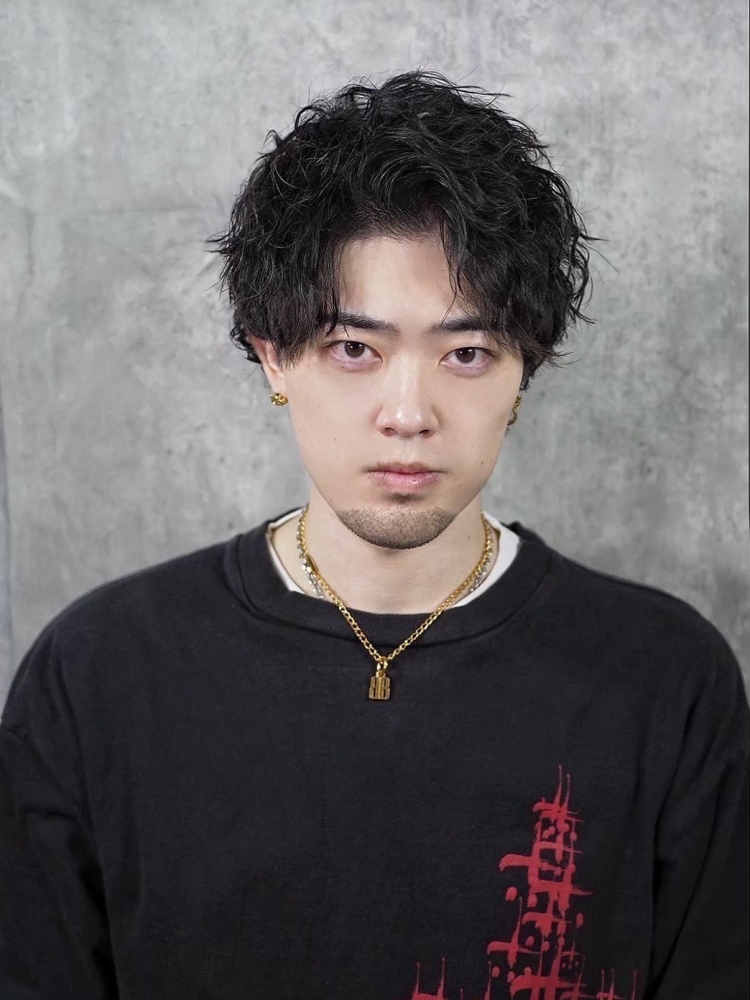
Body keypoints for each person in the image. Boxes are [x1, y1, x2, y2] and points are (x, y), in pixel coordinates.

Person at [1, 69, 747, 1000]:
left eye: (465, 353)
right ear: (273, 358)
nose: (408, 413)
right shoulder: (100, 674)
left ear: (524, 371)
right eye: (354, 349)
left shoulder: (665, 679)